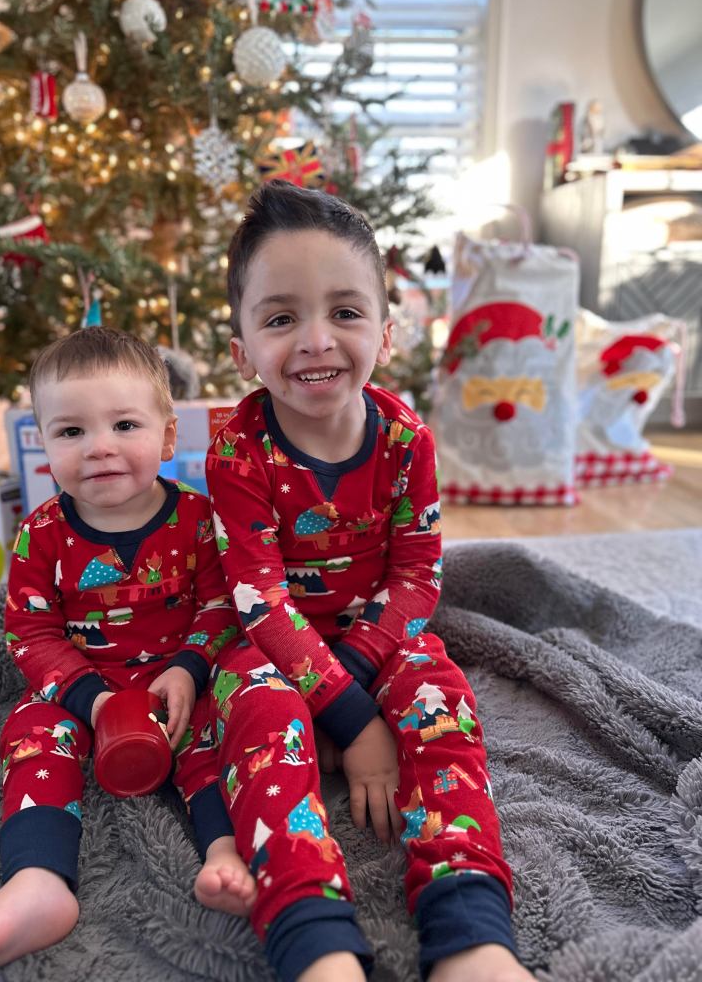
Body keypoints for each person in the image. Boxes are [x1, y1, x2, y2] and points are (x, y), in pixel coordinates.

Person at [205, 180, 537, 982]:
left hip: (377, 638)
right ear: (242, 352)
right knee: (257, 715)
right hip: (267, 642)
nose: (316, 340)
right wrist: (354, 722)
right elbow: (258, 601)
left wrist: (352, 684)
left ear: (386, 335)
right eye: (280, 319)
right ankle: (312, 936)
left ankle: (470, 928)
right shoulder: (238, 453)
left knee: (440, 698)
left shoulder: (406, 438)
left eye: (345, 312)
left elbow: (418, 574)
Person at [0, 327, 270, 980]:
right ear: (43, 444)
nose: (99, 447)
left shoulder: (197, 521)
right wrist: (89, 699)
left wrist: (188, 668)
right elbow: (31, 634)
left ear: (168, 437)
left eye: (124, 425)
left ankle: (223, 850)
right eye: (71, 431)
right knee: (31, 731)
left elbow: (220, 606)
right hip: (83, 684)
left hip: (177, 679)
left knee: (218, 731)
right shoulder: (41, 536)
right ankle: (40, 878)